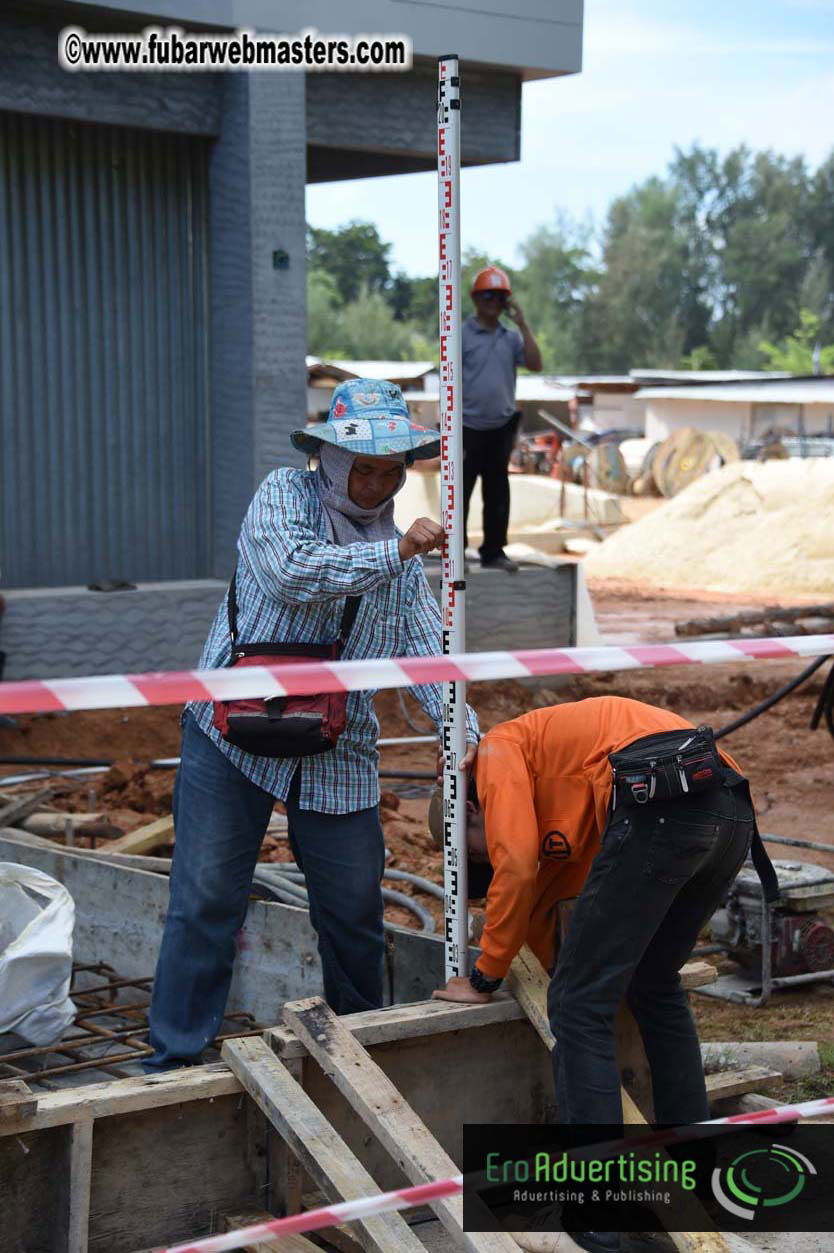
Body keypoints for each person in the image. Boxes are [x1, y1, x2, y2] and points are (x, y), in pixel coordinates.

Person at [145, 378, 479, 1072]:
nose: (377, 483)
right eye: (365, 468)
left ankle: (361, 1057)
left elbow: (424, 655)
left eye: (391, 471)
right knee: (206, 900)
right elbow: (292, 571)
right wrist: (394, 554)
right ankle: (175, 1060)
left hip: (335, 746)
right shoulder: (282, 497)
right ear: (329, 458)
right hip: (232, 729)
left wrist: (467, 740)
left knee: (355, 911)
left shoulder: (402, 557)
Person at [430, 696, 770, 1127]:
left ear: (472, 810)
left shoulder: (498, 750)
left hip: (659, 803)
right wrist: (536, 975)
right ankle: (695, 1161)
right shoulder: (565, 789)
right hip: (727, 807)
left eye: (478, 856)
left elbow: (515, 867)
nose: (488, 864)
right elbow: (546, 894)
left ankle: (598, 1185)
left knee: (576, 1005)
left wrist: (483, 977)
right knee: (653, 982)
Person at [462, 265, 542, 574]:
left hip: (500, 426)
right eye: (487, 296)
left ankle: (494, 551)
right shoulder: (461, 334)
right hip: (467, 426)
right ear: (476, 299)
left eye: (499, 297)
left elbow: (536, 364)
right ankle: (457, 554)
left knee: (497, 492)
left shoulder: (511, 338)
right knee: (460, 492)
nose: (493, 302)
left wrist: (522, 324)